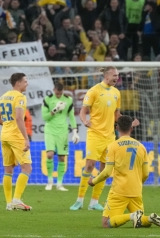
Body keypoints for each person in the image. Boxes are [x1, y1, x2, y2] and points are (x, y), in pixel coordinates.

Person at [88, 115, 160, 229]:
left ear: (116, 128)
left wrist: (94, 181)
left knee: (106, 223)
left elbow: (107, 172)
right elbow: (146, 173)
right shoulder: (141, 147)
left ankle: (132, 216)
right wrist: (137, 183)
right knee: (141, 220)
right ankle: (150, 218)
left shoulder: (113, 146)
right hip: (136, 190)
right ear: (131, 128)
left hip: (119, 191)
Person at [71, 66, 126, 211]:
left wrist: (126, 124)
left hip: (110, 137)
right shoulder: (94, 91)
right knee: (89, 165)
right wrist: (84, 121)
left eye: (118, 75)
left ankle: (94, 202)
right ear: (107, 76)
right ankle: (79, 200)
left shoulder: (116, 93)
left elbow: (116, 115)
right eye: (114, 75)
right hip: (95, 134)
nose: (117, 78)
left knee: (105, 169)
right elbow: (83, 112)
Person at [0, 73, 32, 211]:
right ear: (18, 83)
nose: (27, 84)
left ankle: (9, 203)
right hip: (16, 136)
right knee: (27, 168)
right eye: (25, 81)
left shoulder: (3, 96)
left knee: (8, 170)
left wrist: (8, 126)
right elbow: (18, 118)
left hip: (4, 135)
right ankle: (16, 200)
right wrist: (26, 138)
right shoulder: (20, 97)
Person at [42, 82, 79, 191]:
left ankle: (59, 184)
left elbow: (72, 117)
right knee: (49, 154)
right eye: (57, 93)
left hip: (63, 131)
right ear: (54, 90)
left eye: (60, 93)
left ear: (63, 91)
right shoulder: (47, 99)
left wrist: (75, 132)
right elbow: (45, 117)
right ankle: (49, 182)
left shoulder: (68, 100)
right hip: (50, 130)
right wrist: (55, 110)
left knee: (62, 157)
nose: (58, 95)